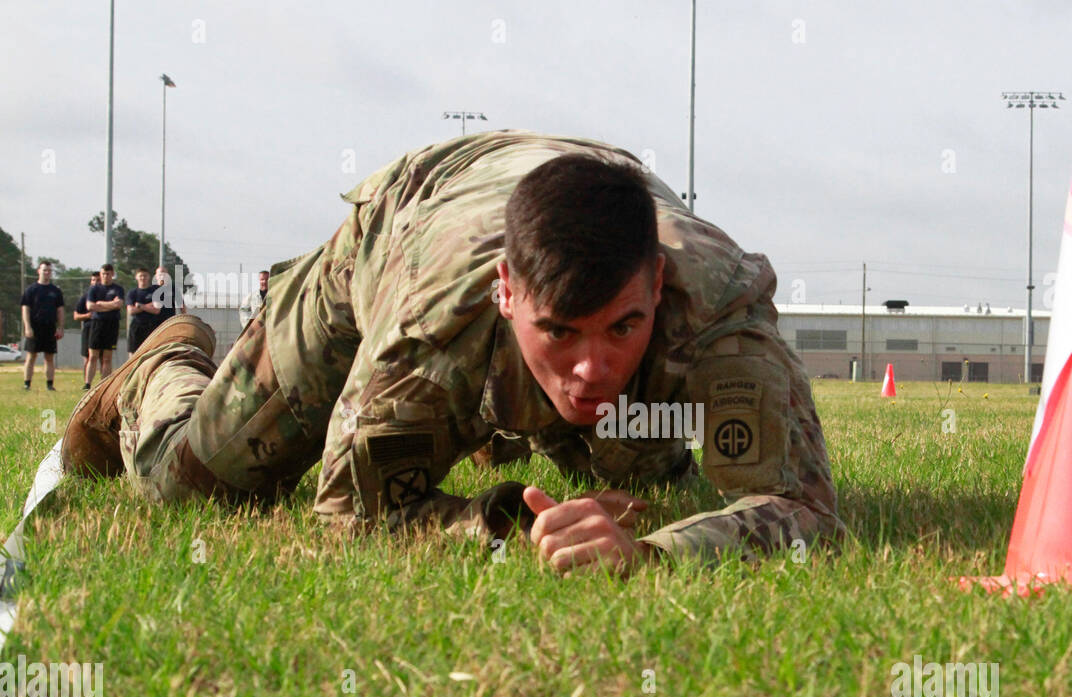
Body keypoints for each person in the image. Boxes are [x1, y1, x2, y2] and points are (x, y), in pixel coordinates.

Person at [61, 131, 845, 572]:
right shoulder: (428, 325)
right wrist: (494, 518)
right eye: (560, 332)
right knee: (189, 484)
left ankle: (559, 421)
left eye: (623, 327)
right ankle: (162, 369)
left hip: (578, 199)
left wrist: (655, 552)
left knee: (635, 459)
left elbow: (806, 511)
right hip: (402, 225)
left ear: (659, 284)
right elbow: (349, 514)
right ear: (509, 295)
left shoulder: (719, 309)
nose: (593, 368)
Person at [20, 261, 65, 391]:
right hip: (34, 326)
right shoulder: (31, 290)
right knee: (31, 356)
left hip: (50, 326)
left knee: (49, 357)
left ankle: (50, 385)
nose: (47, 273)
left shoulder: (55, 291)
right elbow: (25, 309)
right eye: (44, 270)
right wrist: (27, 327)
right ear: (38, 271)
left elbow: (60, 310)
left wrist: (60, 327)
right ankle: (27, 384)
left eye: (49, 271)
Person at [84, 263, 125, 384]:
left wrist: (100, 304)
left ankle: (104, 384)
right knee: (93, 356)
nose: (105, 276)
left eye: (107, 274)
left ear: (112, 274)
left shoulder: (118, 289)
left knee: (107, 357)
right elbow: (90, 306)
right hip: (97, 324)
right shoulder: (94, 289)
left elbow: (118, 305)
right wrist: (110, 305)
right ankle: (87, 384)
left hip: (112, 324)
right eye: (103, 274)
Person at [73, 271, 101, 388]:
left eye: (98, 280)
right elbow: (76, 316)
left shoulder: (105, 295)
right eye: (93, 280)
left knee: (104, 358)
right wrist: (88, 316)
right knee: (87, 357)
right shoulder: (85, 297)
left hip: (102, 328)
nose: (95, 282)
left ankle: (102, 384)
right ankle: (86, 383)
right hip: (88, 328)